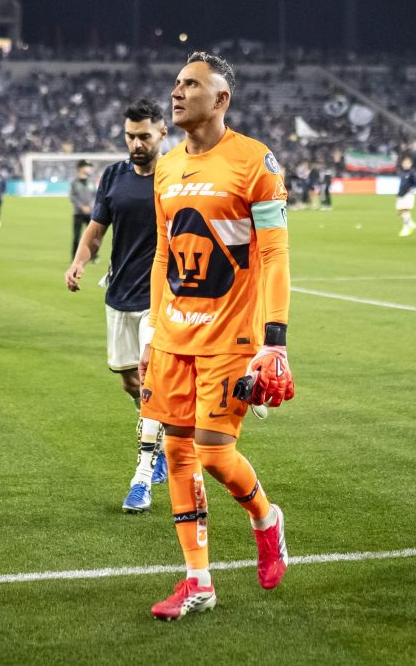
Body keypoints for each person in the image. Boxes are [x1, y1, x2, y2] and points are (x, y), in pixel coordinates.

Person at [142, 51, 293, 620]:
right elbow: (164, 252)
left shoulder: (256, 162)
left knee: (210, 451)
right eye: (176, 83)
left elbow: (275, 253)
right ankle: (198, 581)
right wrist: (155, 325)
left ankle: (265, 519)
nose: (177, 93)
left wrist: (273, 340)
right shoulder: (165, 164)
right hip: (174, 336)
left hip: (232, 337)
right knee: (177, 452)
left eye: (191, 85)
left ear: (221, 99)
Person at [65, 98, 170, 512]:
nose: (136, 143)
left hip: (158, 298)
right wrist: (78, 263)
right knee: (130, 382)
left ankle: (142, 477)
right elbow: (95, 231)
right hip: (118, 292)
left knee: (150, 385)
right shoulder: (112, 176)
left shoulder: (175, 176)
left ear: (162, 133)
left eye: (144, 135)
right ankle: (158, 434)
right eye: (130, 135)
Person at [70, 160, 96, 260]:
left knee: (92, 237)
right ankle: (74, 257)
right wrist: (82, 207)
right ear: (80, 168)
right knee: (77, 236)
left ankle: (93, 256)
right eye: (87, 166)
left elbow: (96, 195)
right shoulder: (74, 183)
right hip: (78, 213)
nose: (89, 169)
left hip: (91, 213)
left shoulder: (92, 182)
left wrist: (90, 206)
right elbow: (72, 197)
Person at [395, 156, 416, 237]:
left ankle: (406, 228)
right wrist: (399, 194)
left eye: (407, 163)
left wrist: (411, 188)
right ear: (402, 164)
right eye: (404, 163)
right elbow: (402, 185)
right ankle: (410, 223)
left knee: (404, 210)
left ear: (410, 164)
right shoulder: (402, 173)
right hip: (401, 194)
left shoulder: (412, 172)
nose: (406, 164)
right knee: (400, 211)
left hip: (408, 194)